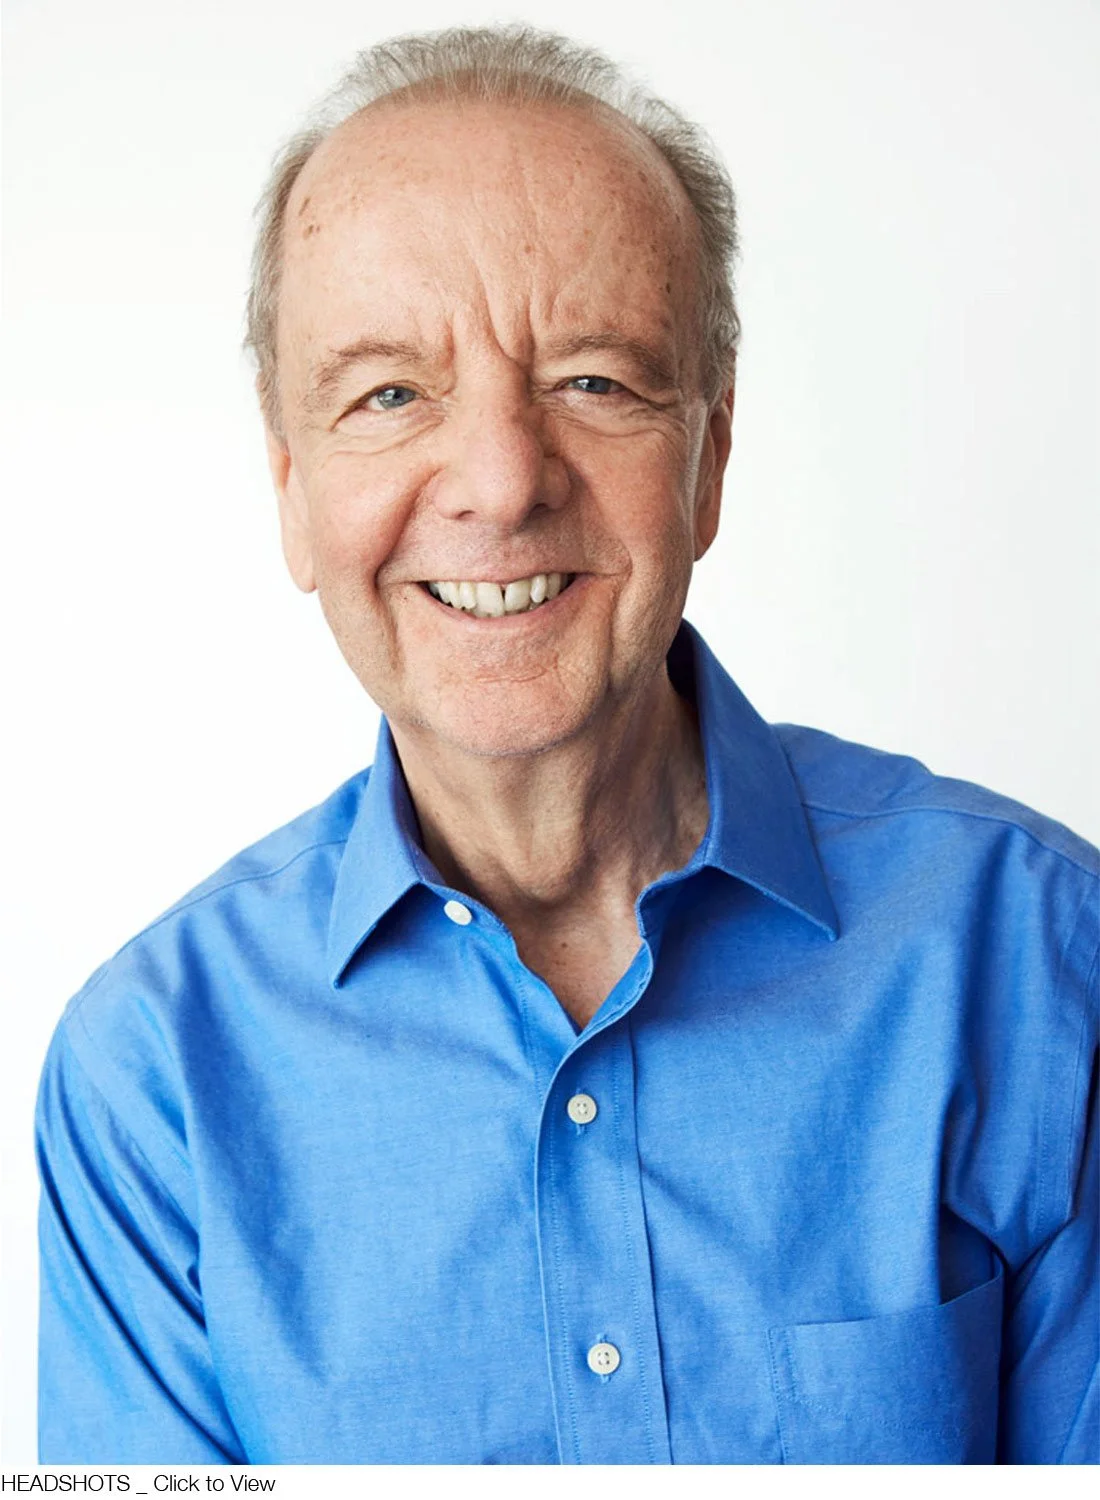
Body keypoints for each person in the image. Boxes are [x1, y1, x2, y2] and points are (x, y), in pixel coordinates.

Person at [36, 24, 1097, 1466]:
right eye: (389, 393)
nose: (499, 481)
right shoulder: (151, 1079)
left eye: (594, 381)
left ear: (709, 459)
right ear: (292, 492)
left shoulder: (1037, 957)